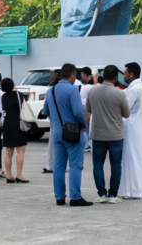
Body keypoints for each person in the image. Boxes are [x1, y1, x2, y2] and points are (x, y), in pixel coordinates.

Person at [44, 63, 92, 206]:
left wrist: (56, 122)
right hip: (72, 133)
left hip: (57, 134)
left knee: (59, 166)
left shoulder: (51, 91)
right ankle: (75, 197)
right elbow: (78, 111)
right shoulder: (72, 90)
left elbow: (46, 110)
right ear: (72, 75)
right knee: (75, 165)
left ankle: (59, 197)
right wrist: (83, 124)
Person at [85, 64, 130, 203]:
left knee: (97, 164)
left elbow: (88, 110)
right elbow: (126, 114)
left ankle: (101, 194)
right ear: (116, 77)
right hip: (115, 135)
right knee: (116, 165)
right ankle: (112, 195)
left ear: (103, 76)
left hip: (98, 134)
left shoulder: (93, 91)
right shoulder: (120, 93)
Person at [117, 62, 142, 199]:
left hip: (131, 129)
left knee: (132, 159)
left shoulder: (133, 90)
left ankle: (133, 191)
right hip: (141, 128)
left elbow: (125, 109)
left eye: (125, 73)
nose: (124, 76)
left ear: (131, 74)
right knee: (141, 158)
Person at [0, 77, 28, 183]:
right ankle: (19, 175)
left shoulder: (3, 97)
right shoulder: (19, 95)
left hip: (7, 123)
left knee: (8, 152)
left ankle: (9, 176)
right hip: (18, 123)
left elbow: (4, 109)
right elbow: (24, 106)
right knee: (20, 151)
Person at [43, 69, 61, 174]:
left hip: (54, 123)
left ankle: (50, 166)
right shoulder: (70, 89)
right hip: (68, 123)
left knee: (52, 145)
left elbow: (45, 109)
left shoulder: (50, 90)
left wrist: (52, 117)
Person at [79, 67, 95, 152]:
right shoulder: (94, 87)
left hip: (86, 110)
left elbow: (80, 100)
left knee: (86, 128)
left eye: (82, 75)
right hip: (94, 111)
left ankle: (87, 145)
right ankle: (90, 144)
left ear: (84, 75)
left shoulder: (85, 88)